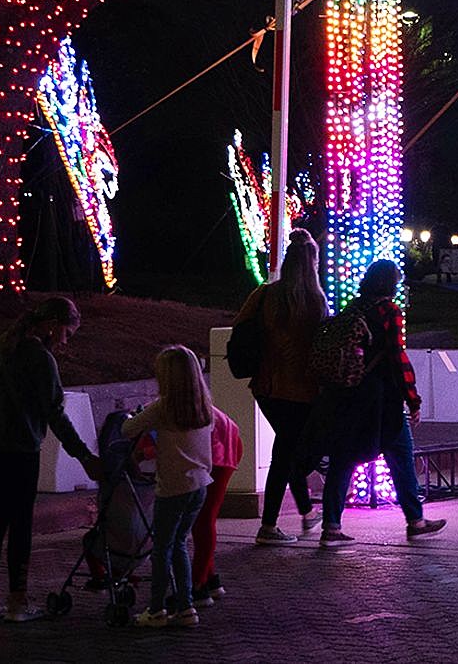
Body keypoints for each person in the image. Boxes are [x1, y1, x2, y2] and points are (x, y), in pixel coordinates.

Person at [0, 297, 102, 623]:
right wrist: (84, 455)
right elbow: (55, 413)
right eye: (67, 333)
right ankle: (18, 600)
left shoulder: (5, 343)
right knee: (20, 523)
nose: (66, 341)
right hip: (18, 447)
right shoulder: (39, 357)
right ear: (54, 324)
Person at [318, 260, 446, 546]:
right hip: (382, 399)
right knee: (401, 455)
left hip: (350, 395)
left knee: (344, 459)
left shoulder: (354, 308)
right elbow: (397, 358)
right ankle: (415, 520)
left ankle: (331, 527)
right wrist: (413, 400)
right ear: (392, 284)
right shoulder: (389, 311)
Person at [232, 228, 327, 545]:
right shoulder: (316, 301)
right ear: (312, 262)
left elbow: (240, 327)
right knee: (290, 453)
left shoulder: (264, 294)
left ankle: (305, 513)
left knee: (286, 450)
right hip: (302, 390)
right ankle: (269, 526)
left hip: (266, 385)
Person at [124, 346, 214, 629]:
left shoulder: (162, 407)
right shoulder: (204, 406)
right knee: (179, 544)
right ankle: (186, 606)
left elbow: (128, 430)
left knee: (162, 548)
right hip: (199, 485)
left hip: (172, 487)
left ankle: (156, 608)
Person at [191, 405, 242, 606]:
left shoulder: (172, 402)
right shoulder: (199, 400)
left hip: (217, 450)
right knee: (204, 517)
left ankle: (198, 584)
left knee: (203, 519)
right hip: (226, 444)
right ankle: (208, 578)